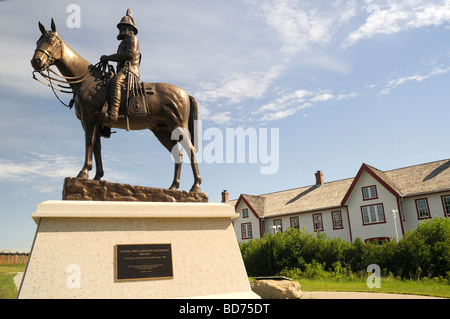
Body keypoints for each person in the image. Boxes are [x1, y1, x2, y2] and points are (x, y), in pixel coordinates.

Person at [98, 9, 141, 122]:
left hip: (129, 71)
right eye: (120, 27)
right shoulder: (123, 41)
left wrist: (108, 57)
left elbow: (128, 54)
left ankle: (113, 113)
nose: (121, 29)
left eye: (123, 27)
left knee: (115, 82)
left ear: (130, 28)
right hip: (122, 70)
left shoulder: (132, 39)